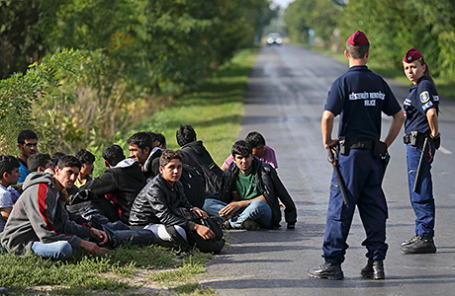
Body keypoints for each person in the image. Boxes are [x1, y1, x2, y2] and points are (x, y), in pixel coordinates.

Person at [308, 31, 404, 280]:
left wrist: (327, 141)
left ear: (346, 53)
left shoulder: (343, 83)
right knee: (373, 208)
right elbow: (399, 116)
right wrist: (385, 143)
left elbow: (328, 116)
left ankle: (333, 264)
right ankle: (376, 263)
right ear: (368, 53)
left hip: (349, 156)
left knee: (340, 208)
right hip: (373, 156)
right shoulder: (379, 83)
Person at [0, 155, 108, 259]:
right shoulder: (42, 190)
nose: (72, 178)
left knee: (85, 237)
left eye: (76, 174)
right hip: (19, 242)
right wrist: (82, 243)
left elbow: (64, 224)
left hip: (37, 237)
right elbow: (45, 234)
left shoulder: (56, 191)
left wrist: (90, 231)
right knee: (64, 248)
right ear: (57, 170)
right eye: (69, 172)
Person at [129, 150, 223, 253]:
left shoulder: (177, 184)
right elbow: (165, 217)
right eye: (171, 167)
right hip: (144, 225)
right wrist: (195, 227)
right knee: (179, 231)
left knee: (199, 219)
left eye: (179, 167)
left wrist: (195, 209)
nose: (176, 171)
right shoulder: (154, 188)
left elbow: (184, 203)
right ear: (161, 169)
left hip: (161, 221)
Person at [203, 140, 297, 230]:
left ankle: (232, 223)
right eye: (240, 158)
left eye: (247, 157)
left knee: (258, 204)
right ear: (234, 159)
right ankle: (244, 221)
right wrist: (230, 207)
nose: (244, 161)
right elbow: (229, 196)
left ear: (252, 156)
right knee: (207, 203)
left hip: (262, 211)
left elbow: (272, 196)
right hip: (242, 211)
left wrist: (291, 219)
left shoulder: (265, 170)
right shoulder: (230, 173)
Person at [400, 48, 440, 254]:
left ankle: (425, 236)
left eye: (414, 66)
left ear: (423, 67)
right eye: (407, 67)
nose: (410, 70)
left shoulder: (423, 86)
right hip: (416, 144)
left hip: (420, 145)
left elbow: (431, 112)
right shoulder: (419, 86)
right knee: (417, 187)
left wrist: (434, 134)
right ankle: (421, 233)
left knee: (420, 188)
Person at [81, 145, 146, 224]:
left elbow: (89, 188)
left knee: (95, 195)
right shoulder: (136, 166)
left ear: (106, 163)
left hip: (128, 218)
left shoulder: (115, 174)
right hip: (143, 214)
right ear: (124, 156)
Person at [176, 125, 223, 193]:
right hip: (217, 191)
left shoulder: (180, 156)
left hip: (201, 195)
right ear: (194, 139)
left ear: (179, 143)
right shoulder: (201, 149)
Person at [0, 155, 21, 232]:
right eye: (16, 172)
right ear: (5, 175)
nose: (19, 175)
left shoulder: (8, 188)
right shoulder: (3, 193)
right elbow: (11, 220)